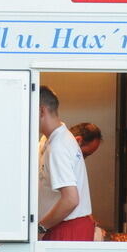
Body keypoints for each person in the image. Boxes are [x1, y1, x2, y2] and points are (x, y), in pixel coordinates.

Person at [38, 86, 93, 241]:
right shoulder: (52, 138)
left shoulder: (58, 146)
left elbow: (71, 199)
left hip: (66, 228)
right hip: (62, 224)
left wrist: (41, 227)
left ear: (41, 111)